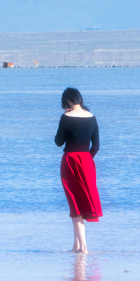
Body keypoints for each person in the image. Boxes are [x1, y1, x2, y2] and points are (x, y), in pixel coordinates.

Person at [54, 87, 102, 253]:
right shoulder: (92, 117)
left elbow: (58, 142)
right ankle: (76, 246)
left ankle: (83, 248)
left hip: (70, 161)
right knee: (83, 202)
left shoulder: (66, 117)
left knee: (75, 204)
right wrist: (87, 160)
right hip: (87, 162)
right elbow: (96, 146)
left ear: (67, 101)